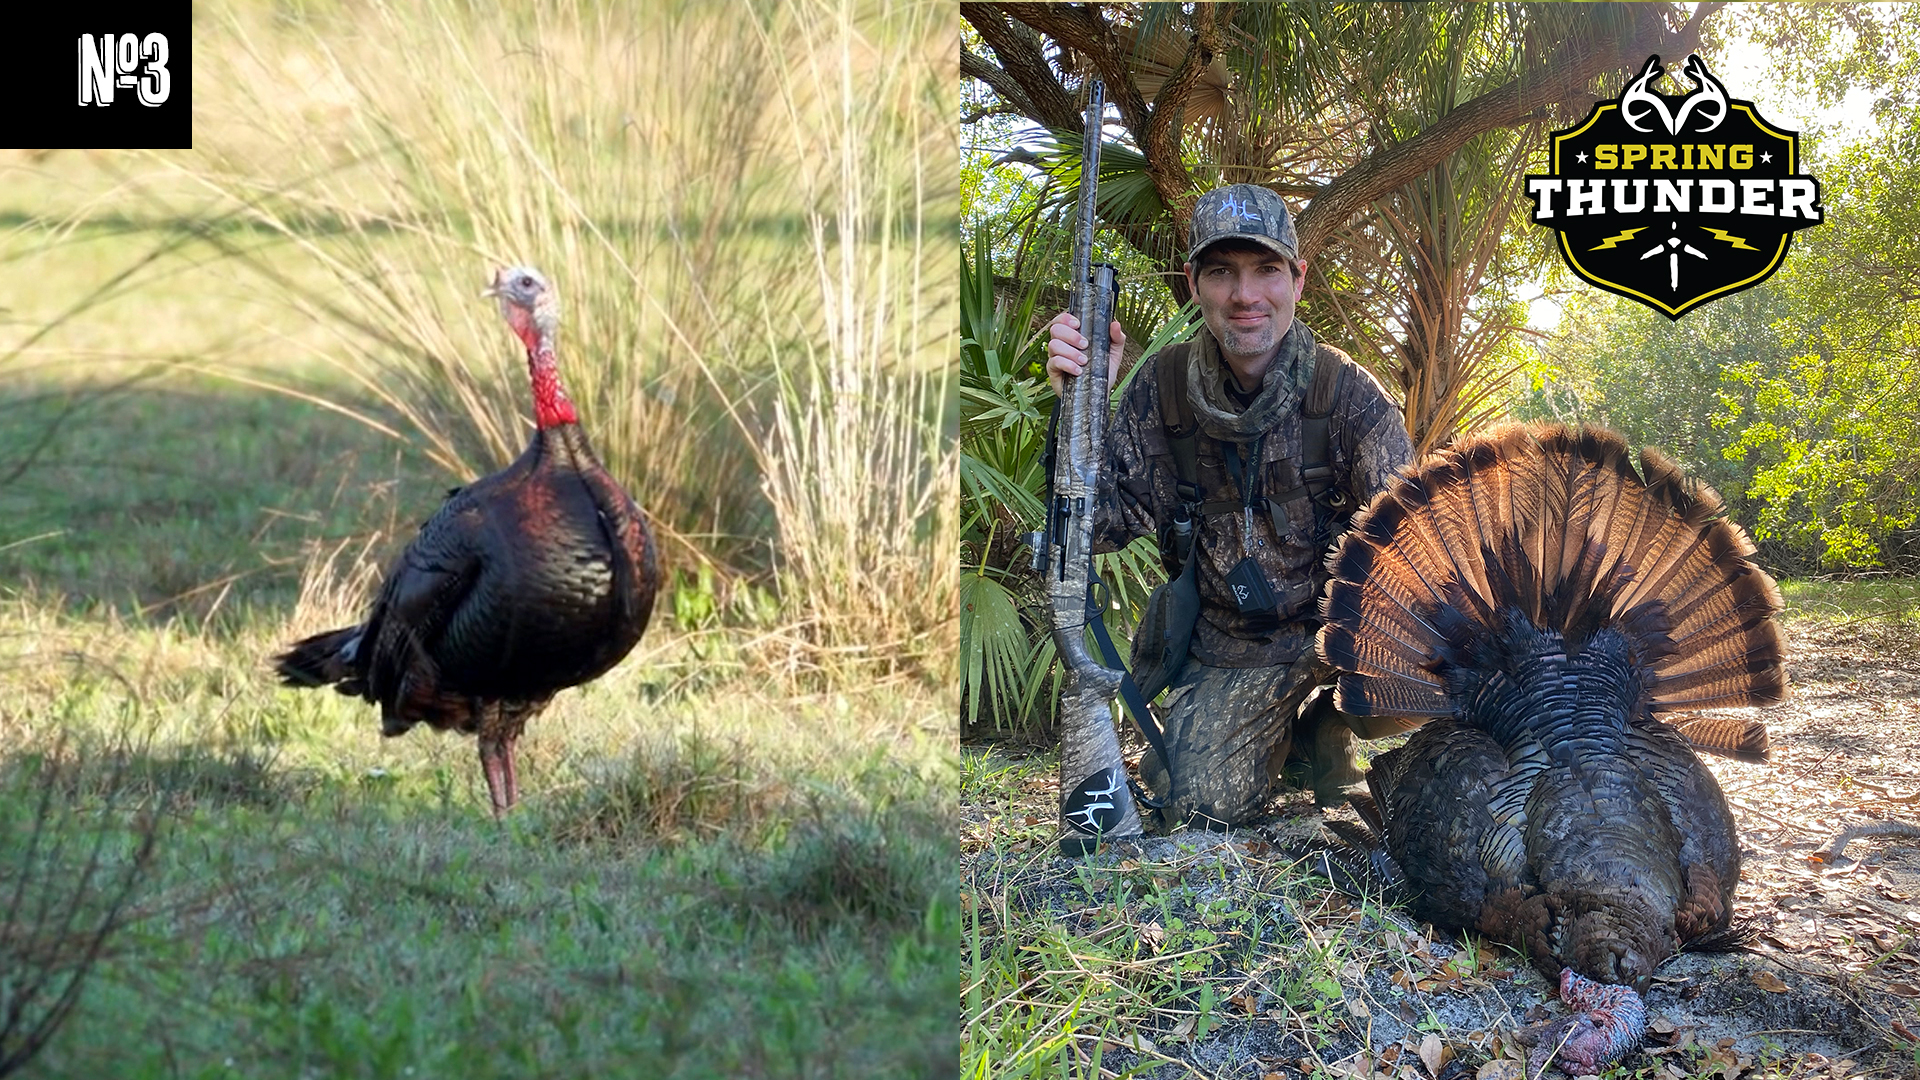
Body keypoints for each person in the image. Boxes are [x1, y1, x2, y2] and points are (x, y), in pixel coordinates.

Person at [1046, 182, 1416, 829]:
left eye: (1266, 270)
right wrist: (1081, 403)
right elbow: (1095, 528)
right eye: (1222, 273)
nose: (1245, 295)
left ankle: (1334, 716)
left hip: (1340, 632)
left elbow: (1413, 547)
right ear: (1193, 283)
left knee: (1433, 676)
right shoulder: (1162, 393)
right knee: (1198, 809)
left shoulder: (1348, 394)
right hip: (1231, 648)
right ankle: (1300, 744)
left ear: (1296, 280)